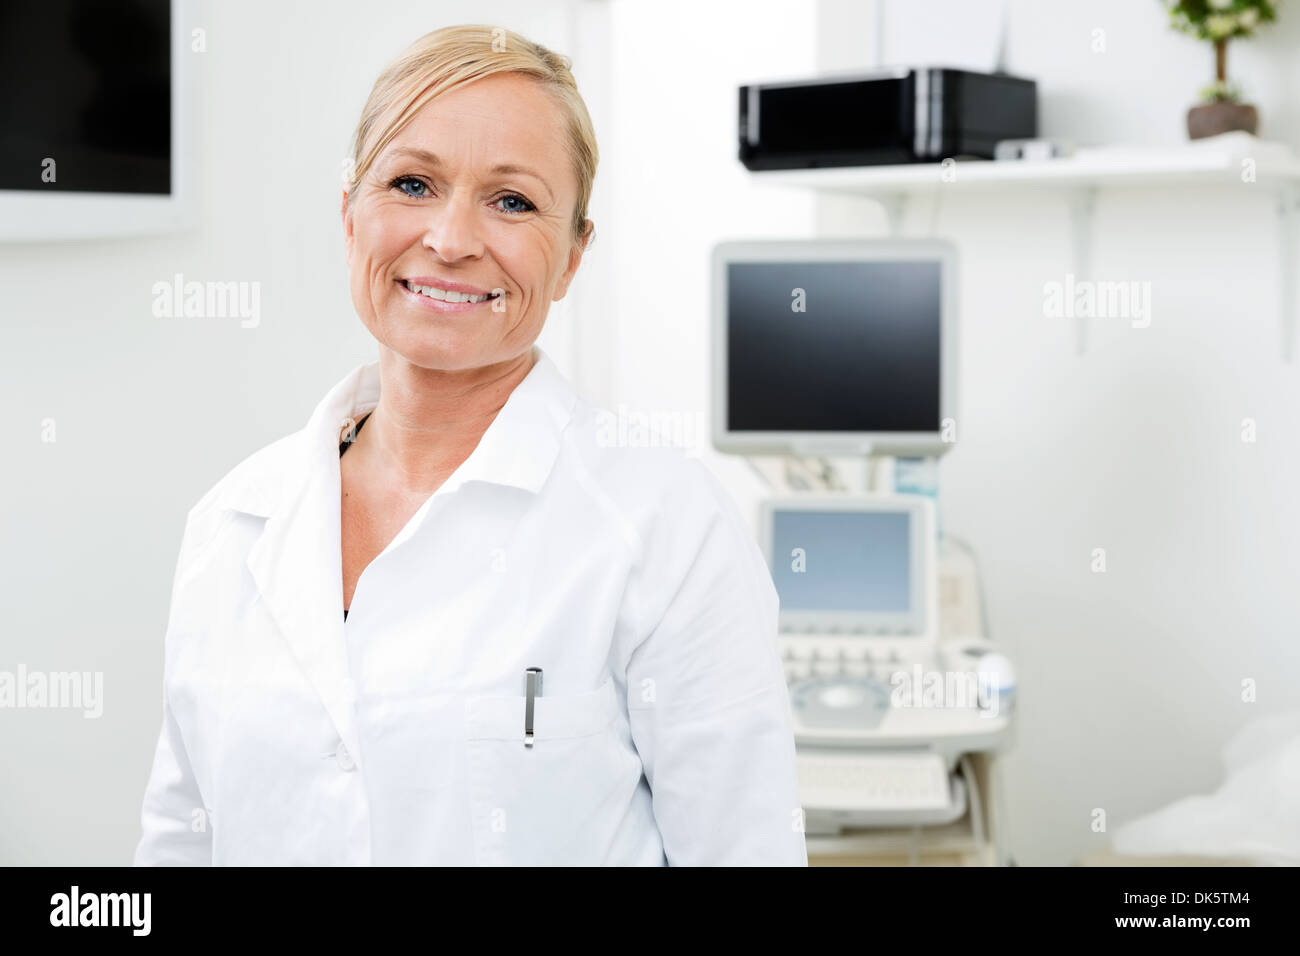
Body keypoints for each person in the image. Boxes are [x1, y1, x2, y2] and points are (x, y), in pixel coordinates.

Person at [133, 23, 806, 866]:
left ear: (570, 258)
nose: (451, 240)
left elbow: (743, 849)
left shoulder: (665, 527)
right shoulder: (230, 525)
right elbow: (177, 841)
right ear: (350, 215)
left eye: (513, 201)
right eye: (412, 183)